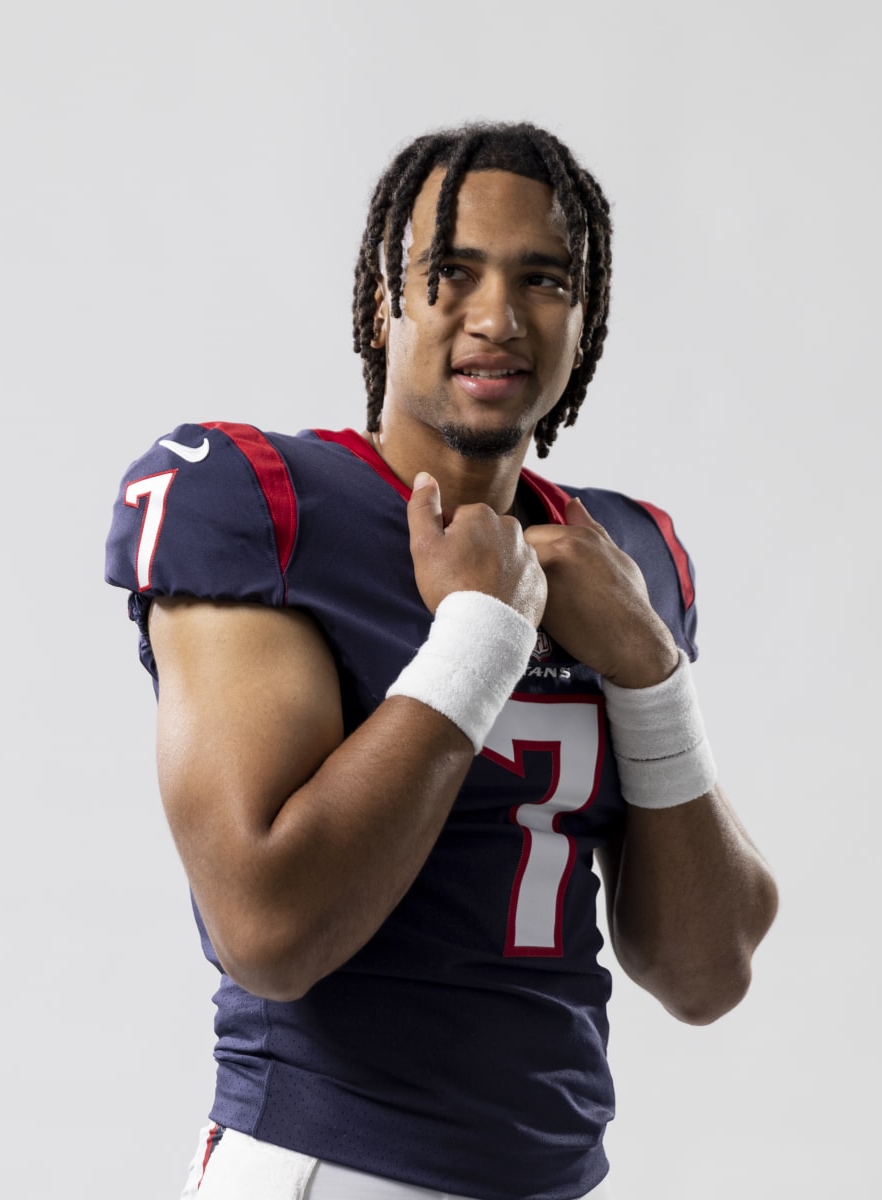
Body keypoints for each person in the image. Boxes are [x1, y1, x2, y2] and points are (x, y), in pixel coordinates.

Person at [105, 121, 778, 1200]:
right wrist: (480, 636)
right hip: (337, 1168)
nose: (498, 317)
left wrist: (650, 666)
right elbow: (267, 931)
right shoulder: (267, 504)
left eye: (543, 278)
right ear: (385, 299)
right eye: (451, 271)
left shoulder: (625, 558)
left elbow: (707, 974)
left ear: (584, 316)